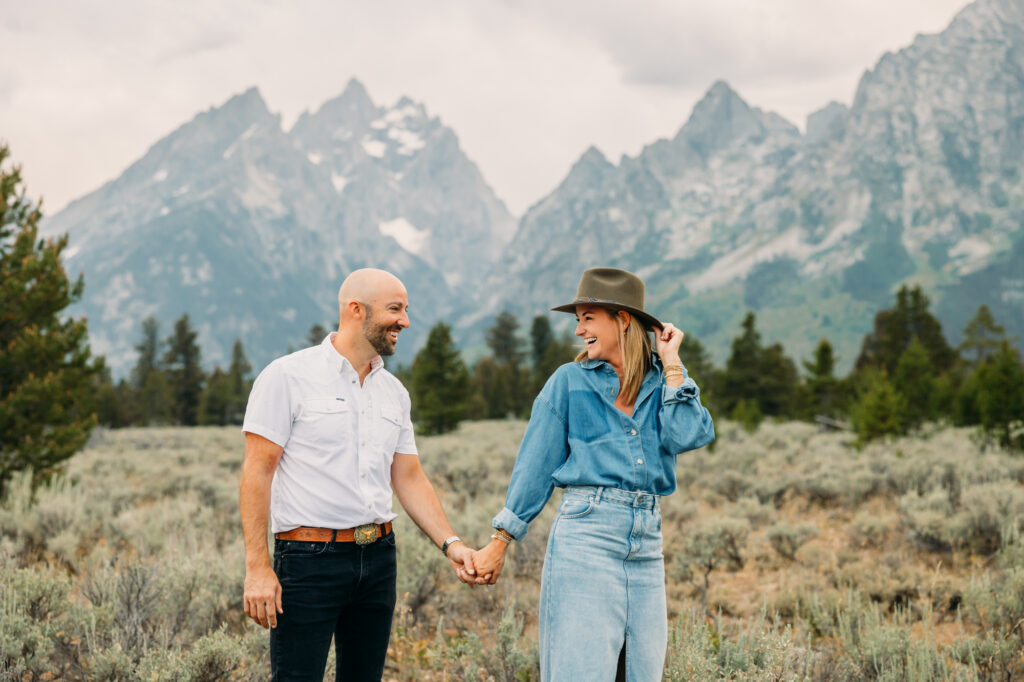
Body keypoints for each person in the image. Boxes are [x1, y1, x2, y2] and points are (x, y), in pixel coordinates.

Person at [473, 267, 715, 681]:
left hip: (647, 543)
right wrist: (501, 540)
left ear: (622, 319)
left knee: (641, 673)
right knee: (579, 671)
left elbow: (689, 434)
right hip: (586, 538)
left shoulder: (663, 384)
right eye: (577, 319)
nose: (579, 330)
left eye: (589, 318)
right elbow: (535, 465)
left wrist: (673, 363)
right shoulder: (568, 383)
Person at [239, 268, 478, 681]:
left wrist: (451, 543)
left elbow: (409, 477)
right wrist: (258, 567)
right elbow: (256, 472)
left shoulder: (394, 392)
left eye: (406, 309)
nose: (405, 321)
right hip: (308, 560)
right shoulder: (286, 377)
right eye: (395, 309)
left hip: (378, 557)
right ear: (355, 310)